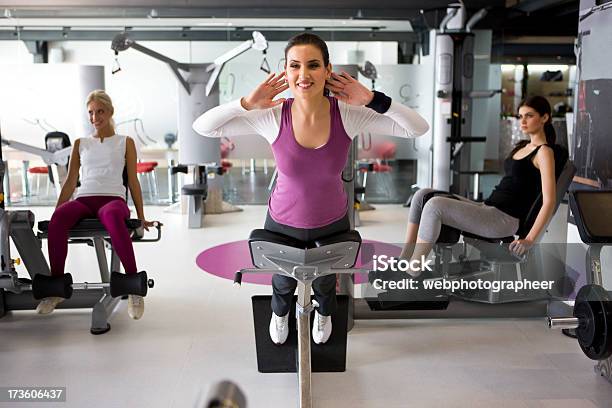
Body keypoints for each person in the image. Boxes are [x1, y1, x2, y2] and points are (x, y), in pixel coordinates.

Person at [193, 33, 429, 345]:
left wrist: (373, 99)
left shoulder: (347, 113)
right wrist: (246, 103)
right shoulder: (272, 114)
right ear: (286, 72)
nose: (304, 75)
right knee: (282, 281)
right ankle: (280, 313)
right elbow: (203, 127)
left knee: (325, 282)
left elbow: (418, 127)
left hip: (331, 220)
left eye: (313, 65)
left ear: (327, 70)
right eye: (295, 66)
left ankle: (324, 313)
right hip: (281, 220)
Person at [401, 96, 557, 274]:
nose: (523, 121)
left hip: (503, 219)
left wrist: (529, 240)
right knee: (423, 194)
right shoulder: (522, 146)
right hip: (488, 208)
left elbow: (549, 201)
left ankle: (413, 272)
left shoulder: (544, 152)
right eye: (520, 116)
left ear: (545, 117)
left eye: (529, 116)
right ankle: (404, 259)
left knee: (435, 206)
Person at [36, 90, 155, 319]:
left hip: (113, 200)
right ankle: (55, 290)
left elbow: (132, 180)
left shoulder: (125, 142)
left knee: (111, 216)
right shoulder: (81, 143)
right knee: (60, 218)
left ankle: (133, 290)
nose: (95, 117)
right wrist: (55, 214)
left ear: (110, 112)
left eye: (100, 111)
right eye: (91, 112)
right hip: (84, 199)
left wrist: (141, 216)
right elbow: (71, 182)